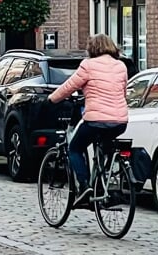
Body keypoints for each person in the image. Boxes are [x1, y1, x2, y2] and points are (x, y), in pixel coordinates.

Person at [48, 33, 129, 201]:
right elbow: (122, 92)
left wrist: (52, 99)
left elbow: (69, 86)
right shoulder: (121, 66)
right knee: (106, 148)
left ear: (92, 48)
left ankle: (84, 186)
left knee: (75, 148)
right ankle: (103, 182)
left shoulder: (88, 65)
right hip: (120, 121)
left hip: (96, 120)